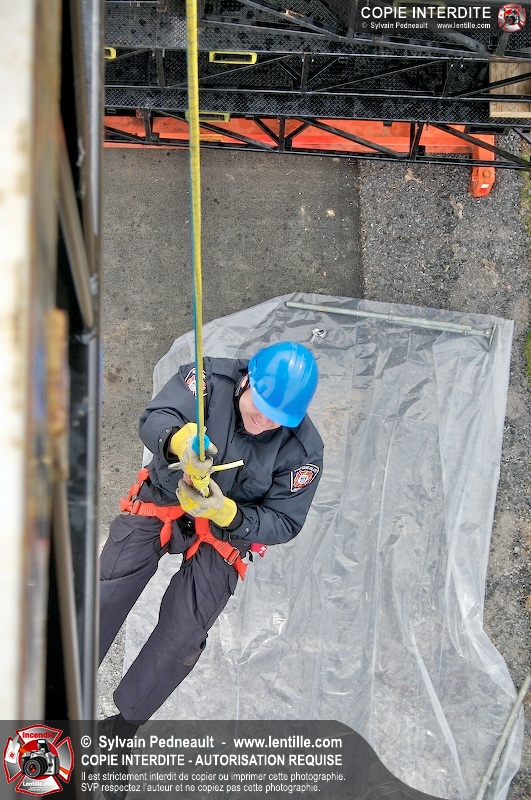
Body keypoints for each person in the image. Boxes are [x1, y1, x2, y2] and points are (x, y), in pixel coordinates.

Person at [98, 341, 323, 797]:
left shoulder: (303, 451)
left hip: (225, 531)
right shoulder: (206, 382)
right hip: (166, 497)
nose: (265, 422)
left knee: (184, 633)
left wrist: (229, 514)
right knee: (107, 588)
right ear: (247, 380)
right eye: (261, 407)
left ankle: (120, 731)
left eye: (278, 418)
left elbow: (285, 520)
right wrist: (179, 440)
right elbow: (155, 417)